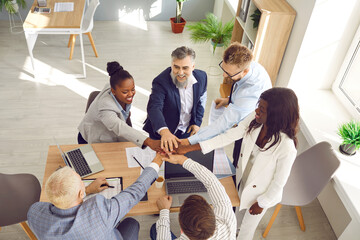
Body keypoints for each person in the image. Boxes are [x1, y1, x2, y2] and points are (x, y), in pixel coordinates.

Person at [177, 88, 299, 240]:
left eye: (261, 109)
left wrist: (261, 203)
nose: (256, 111)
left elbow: (278, 183)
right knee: (236, 217)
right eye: (258, 105)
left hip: (261, 194)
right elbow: (227, 137)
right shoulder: (255, 121)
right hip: (244, 179)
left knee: (247, 230)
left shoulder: (286, 147)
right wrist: (189, 148)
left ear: (275, 116)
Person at [27, 154, 163, 240]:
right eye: (81, 181)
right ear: (80, 194)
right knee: (132, 223)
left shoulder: (34, 213)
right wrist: (157, 161)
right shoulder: (100, 212)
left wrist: (87, 189)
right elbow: (134, 192)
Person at [183, 42, 272, 169]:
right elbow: (240, 90)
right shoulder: (251, 66)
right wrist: (229, 100)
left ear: (245, 71)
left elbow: (222, 125)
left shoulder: (250, 92)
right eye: (223, 69)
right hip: (247, 107)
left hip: (255, 128)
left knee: (239, 159)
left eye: (229, 74)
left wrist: (190, 140)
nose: (224, 75)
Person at [150, 154, 236, 240]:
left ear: (182, 229)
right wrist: (183, 160)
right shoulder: (228, 222)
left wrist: (164, 211)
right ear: (212, 215)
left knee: (155, 229)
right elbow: (212, 182)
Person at [78, 61, 159, 151]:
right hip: (93, 139)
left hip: (111, 135)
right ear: (113, 91)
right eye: (125, 92)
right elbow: (119, 127)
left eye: (133, 89)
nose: (130, 94)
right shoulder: (105, 107)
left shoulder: (119, 88)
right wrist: (149, 141)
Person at [143, 46, 207, 152]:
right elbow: (154, 107)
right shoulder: (160, 81)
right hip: (163, 132)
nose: (180, 72)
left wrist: (197, 122)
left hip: (186, 131)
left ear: (193, 66)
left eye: (185, 68)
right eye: (176, 67)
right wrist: (164, 131)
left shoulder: (202, 77)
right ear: (171, 64)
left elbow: (202, 99)